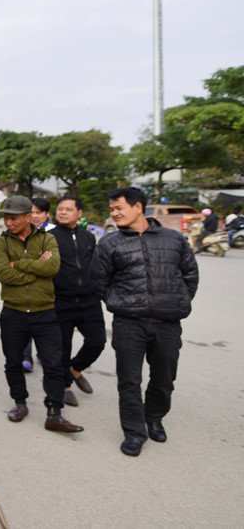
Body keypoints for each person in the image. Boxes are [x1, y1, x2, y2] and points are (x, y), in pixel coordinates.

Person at [90, 186, 198, 457]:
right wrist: (120, 302)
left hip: (167, 322)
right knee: (129, 380)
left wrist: (176, 301)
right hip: (129, 323)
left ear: (138, 207)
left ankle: (154, 418)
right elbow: (99, 282)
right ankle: (134, 432)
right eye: (111, 209)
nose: (114, 213)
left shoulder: (173, 239)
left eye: (119, 208)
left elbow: (190, 276)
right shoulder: (110, 243)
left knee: (164, 378)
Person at [0, 196, 82, 433]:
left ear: (27, 217)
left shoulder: (47, 238)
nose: (8, 222)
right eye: (5, 217)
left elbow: (52, 268)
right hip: (13, 313)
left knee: (53, 364)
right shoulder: (0, 244)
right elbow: (4, 275)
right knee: (13, 362)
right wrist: (36, 267)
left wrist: (18, 264)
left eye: (13, 218)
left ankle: (55, 412)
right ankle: (20, 403)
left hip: (45, 313)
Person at [51, 195, 106, 408]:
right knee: (63, 347)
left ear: (79, 213)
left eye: (68, 209)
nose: (63, 212)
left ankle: (74, 370)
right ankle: (65, 386)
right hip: (61, 301)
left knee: (97, 341)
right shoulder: (49, 237)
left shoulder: (88, 237)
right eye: (60, 209)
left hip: (89, 301)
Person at [20, 197, 54, 372]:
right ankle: (26, 357)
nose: (34, 216)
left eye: (38, 212)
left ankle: (44, 353)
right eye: (30, 212)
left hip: (50, 286)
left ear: (47, 214)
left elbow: (52, 262)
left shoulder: (54, 233)